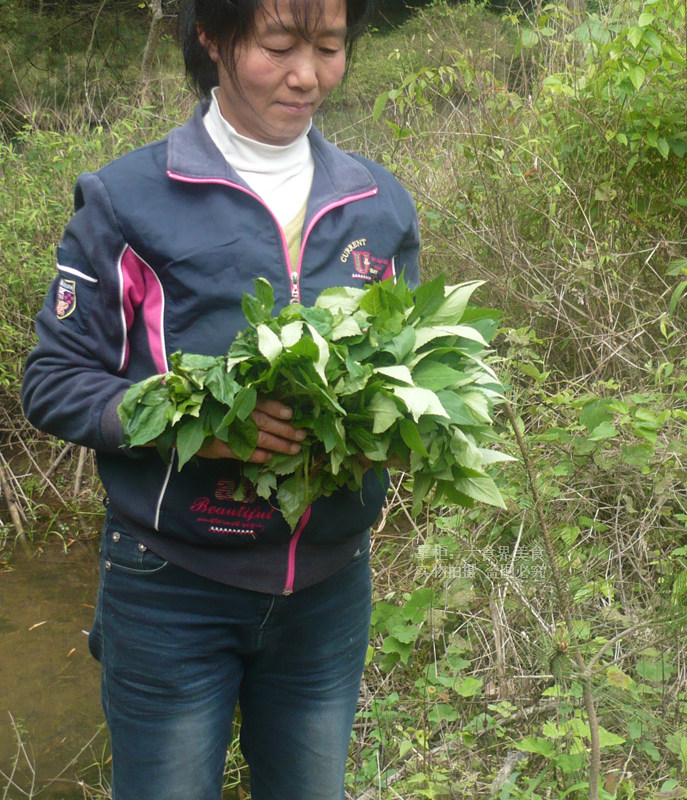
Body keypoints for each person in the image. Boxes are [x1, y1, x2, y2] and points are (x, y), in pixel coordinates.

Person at [21, 0, 420, 795]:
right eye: (278, 45)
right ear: (211, 34)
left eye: (329, 47)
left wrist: (398, 427)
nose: (307, 76)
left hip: (329, 587)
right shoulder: (129, 199)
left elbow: (404, 367)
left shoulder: (379, 205)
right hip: (171, 584)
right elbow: (54, 380)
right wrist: (197, 426)